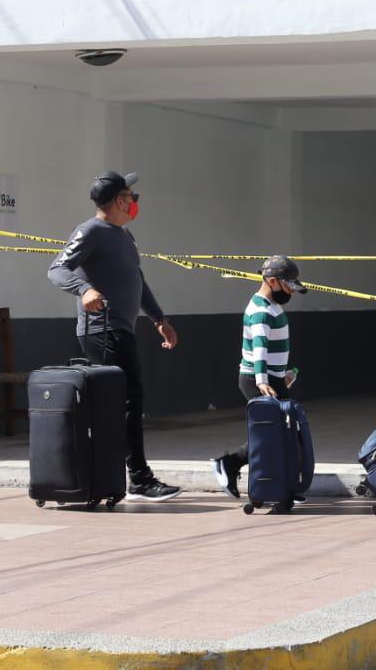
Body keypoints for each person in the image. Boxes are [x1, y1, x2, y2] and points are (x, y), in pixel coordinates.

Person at [47, 171, 181, 502]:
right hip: (101, 329)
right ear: (120, 200)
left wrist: (158, 318)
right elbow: (57, 269)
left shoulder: (124, 236)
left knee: (127, 400)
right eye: (131, 196)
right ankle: (137, 477)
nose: (135, 202)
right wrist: (84, 289)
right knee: (126, 400)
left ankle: (125, 475)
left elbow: (137, 279)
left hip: (121, 327)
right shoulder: (90, 231)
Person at [211, 256, 310, 499]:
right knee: (272, 434)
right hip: (257, 379)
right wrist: (262, 380)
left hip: (271, 378)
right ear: (273, 281)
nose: (292, 292)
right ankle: (230, 464)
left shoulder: (272, 306)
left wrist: (281, 375)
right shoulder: (260, 311)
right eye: (288, 286)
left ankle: (284, 484)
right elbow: (260, 348)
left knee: (282, 433)